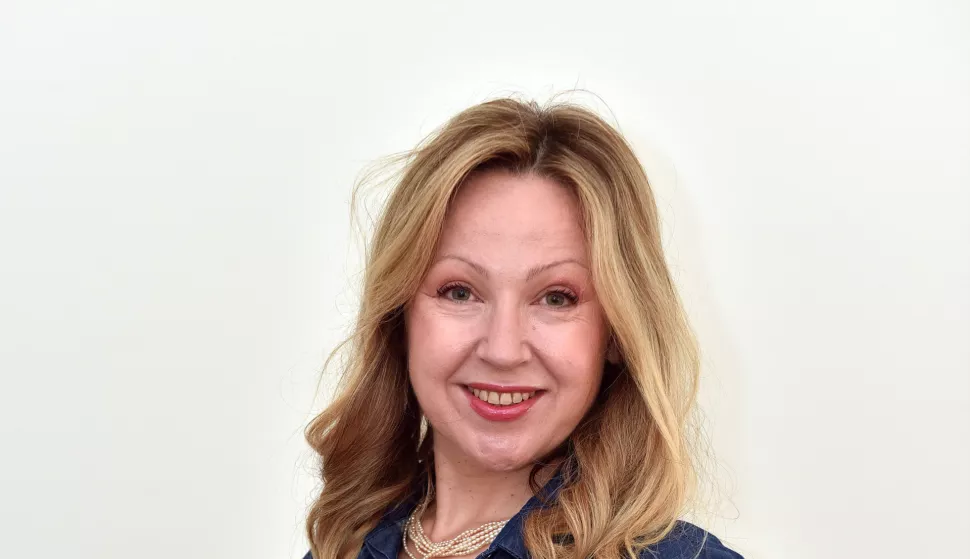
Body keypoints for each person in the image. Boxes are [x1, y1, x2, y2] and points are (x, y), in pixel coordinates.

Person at [302, 97, 742, 559]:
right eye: (459, 292)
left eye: (556, 298)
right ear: (399, 316)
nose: (503, 350)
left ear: (616, 332)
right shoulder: (340, 545)